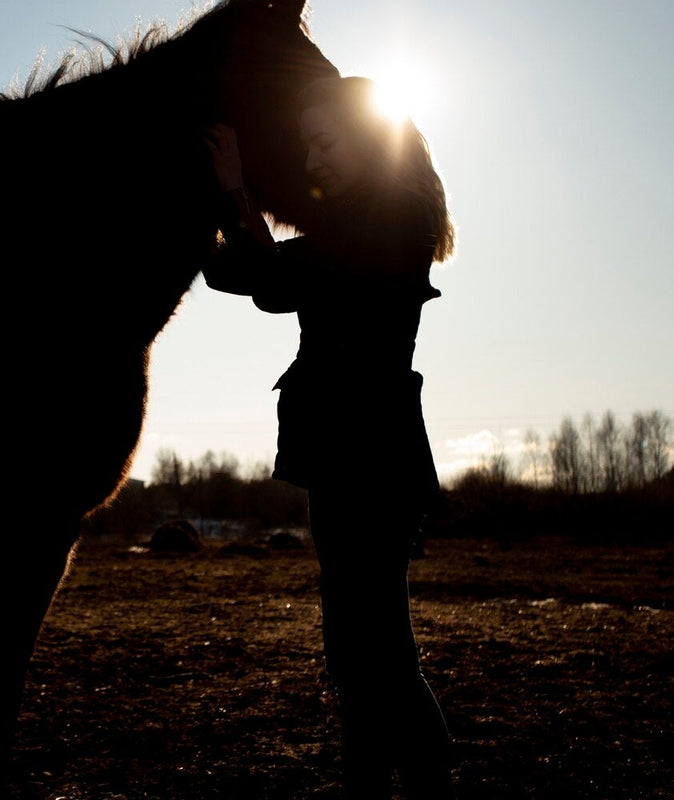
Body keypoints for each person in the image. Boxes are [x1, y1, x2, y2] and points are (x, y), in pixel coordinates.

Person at [202, 76, 458, 800]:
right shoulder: (358, 226)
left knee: (380, 656)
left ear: (372, 140)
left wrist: (234, 189)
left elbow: (273, 278)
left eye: (325, 142)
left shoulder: (391, 223)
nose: (312, 162)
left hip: (370, 462)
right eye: (306, 146)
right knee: (356, 656)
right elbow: (256, 278)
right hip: (346, 460)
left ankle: (428, 785)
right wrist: (211, 217)